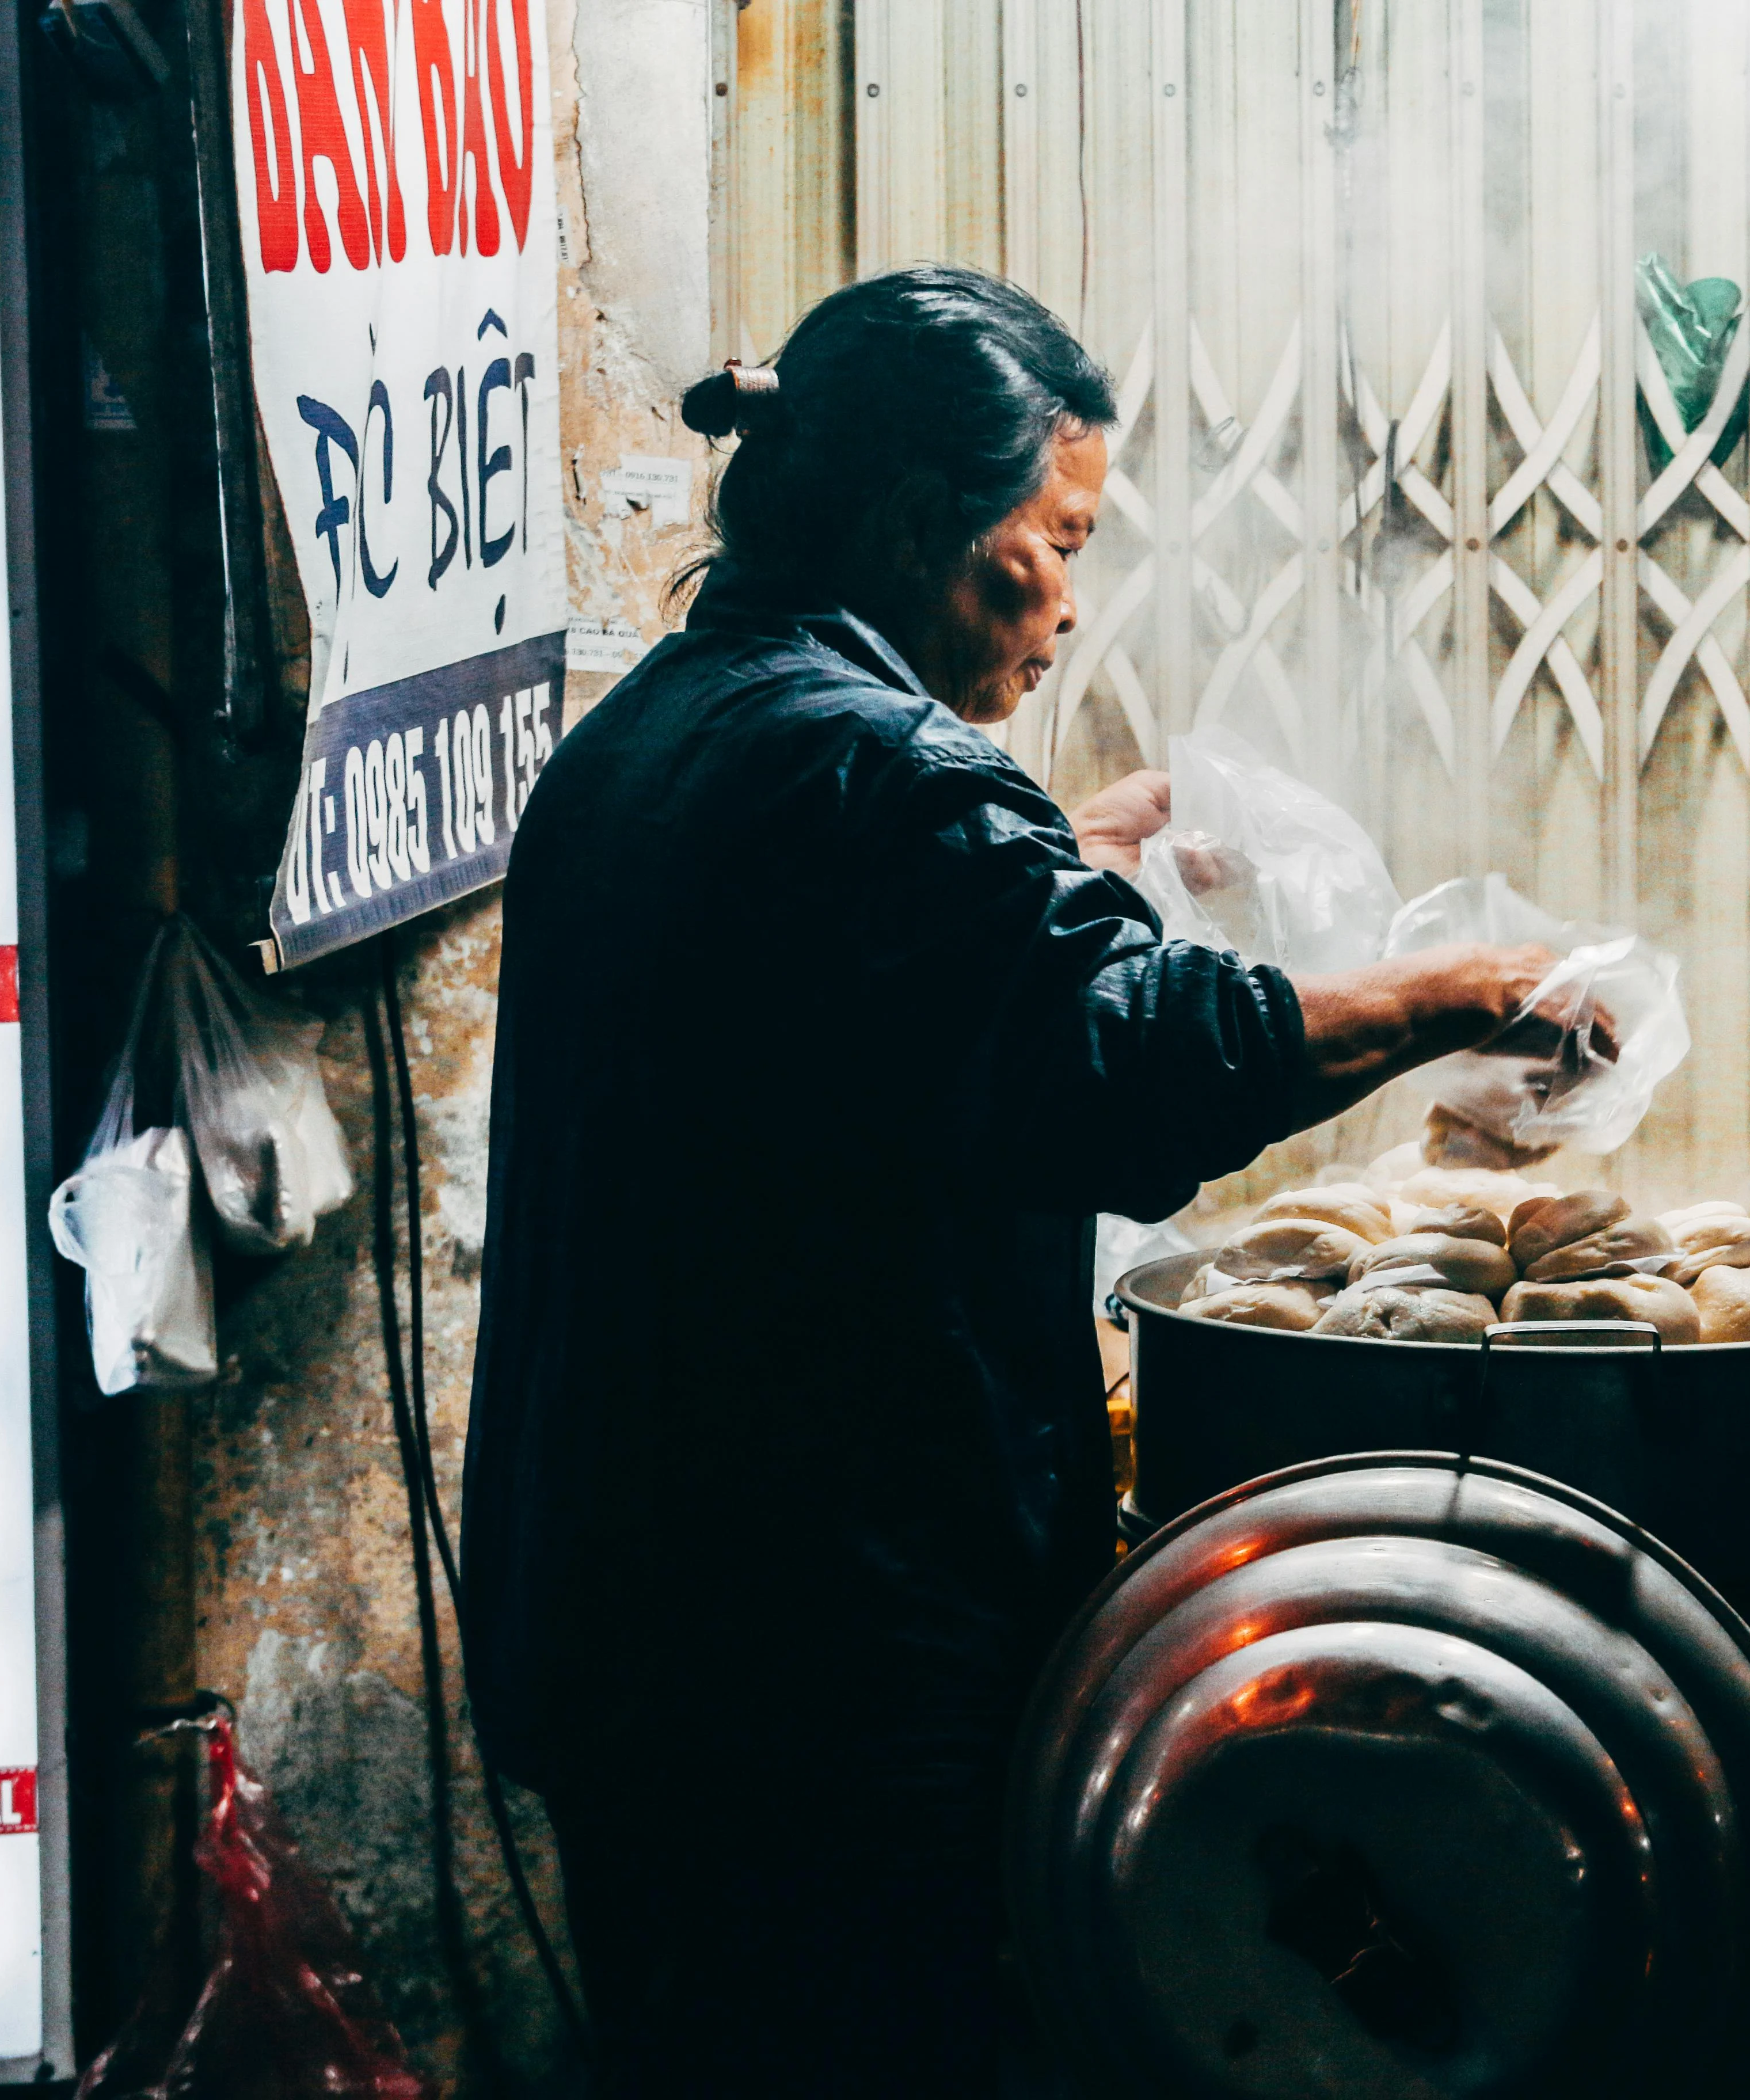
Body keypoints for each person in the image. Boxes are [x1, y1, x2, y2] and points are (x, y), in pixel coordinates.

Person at [461, 266, 1584, 2096]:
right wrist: (1447, 995)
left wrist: (1051, 847)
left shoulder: (672, 722)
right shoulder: (874, 768)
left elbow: (832, 1004)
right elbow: (1126, 1064)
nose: (1069, 595)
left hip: (631, 1625)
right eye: (1052, 539)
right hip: (820, 1665)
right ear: (926, 524)